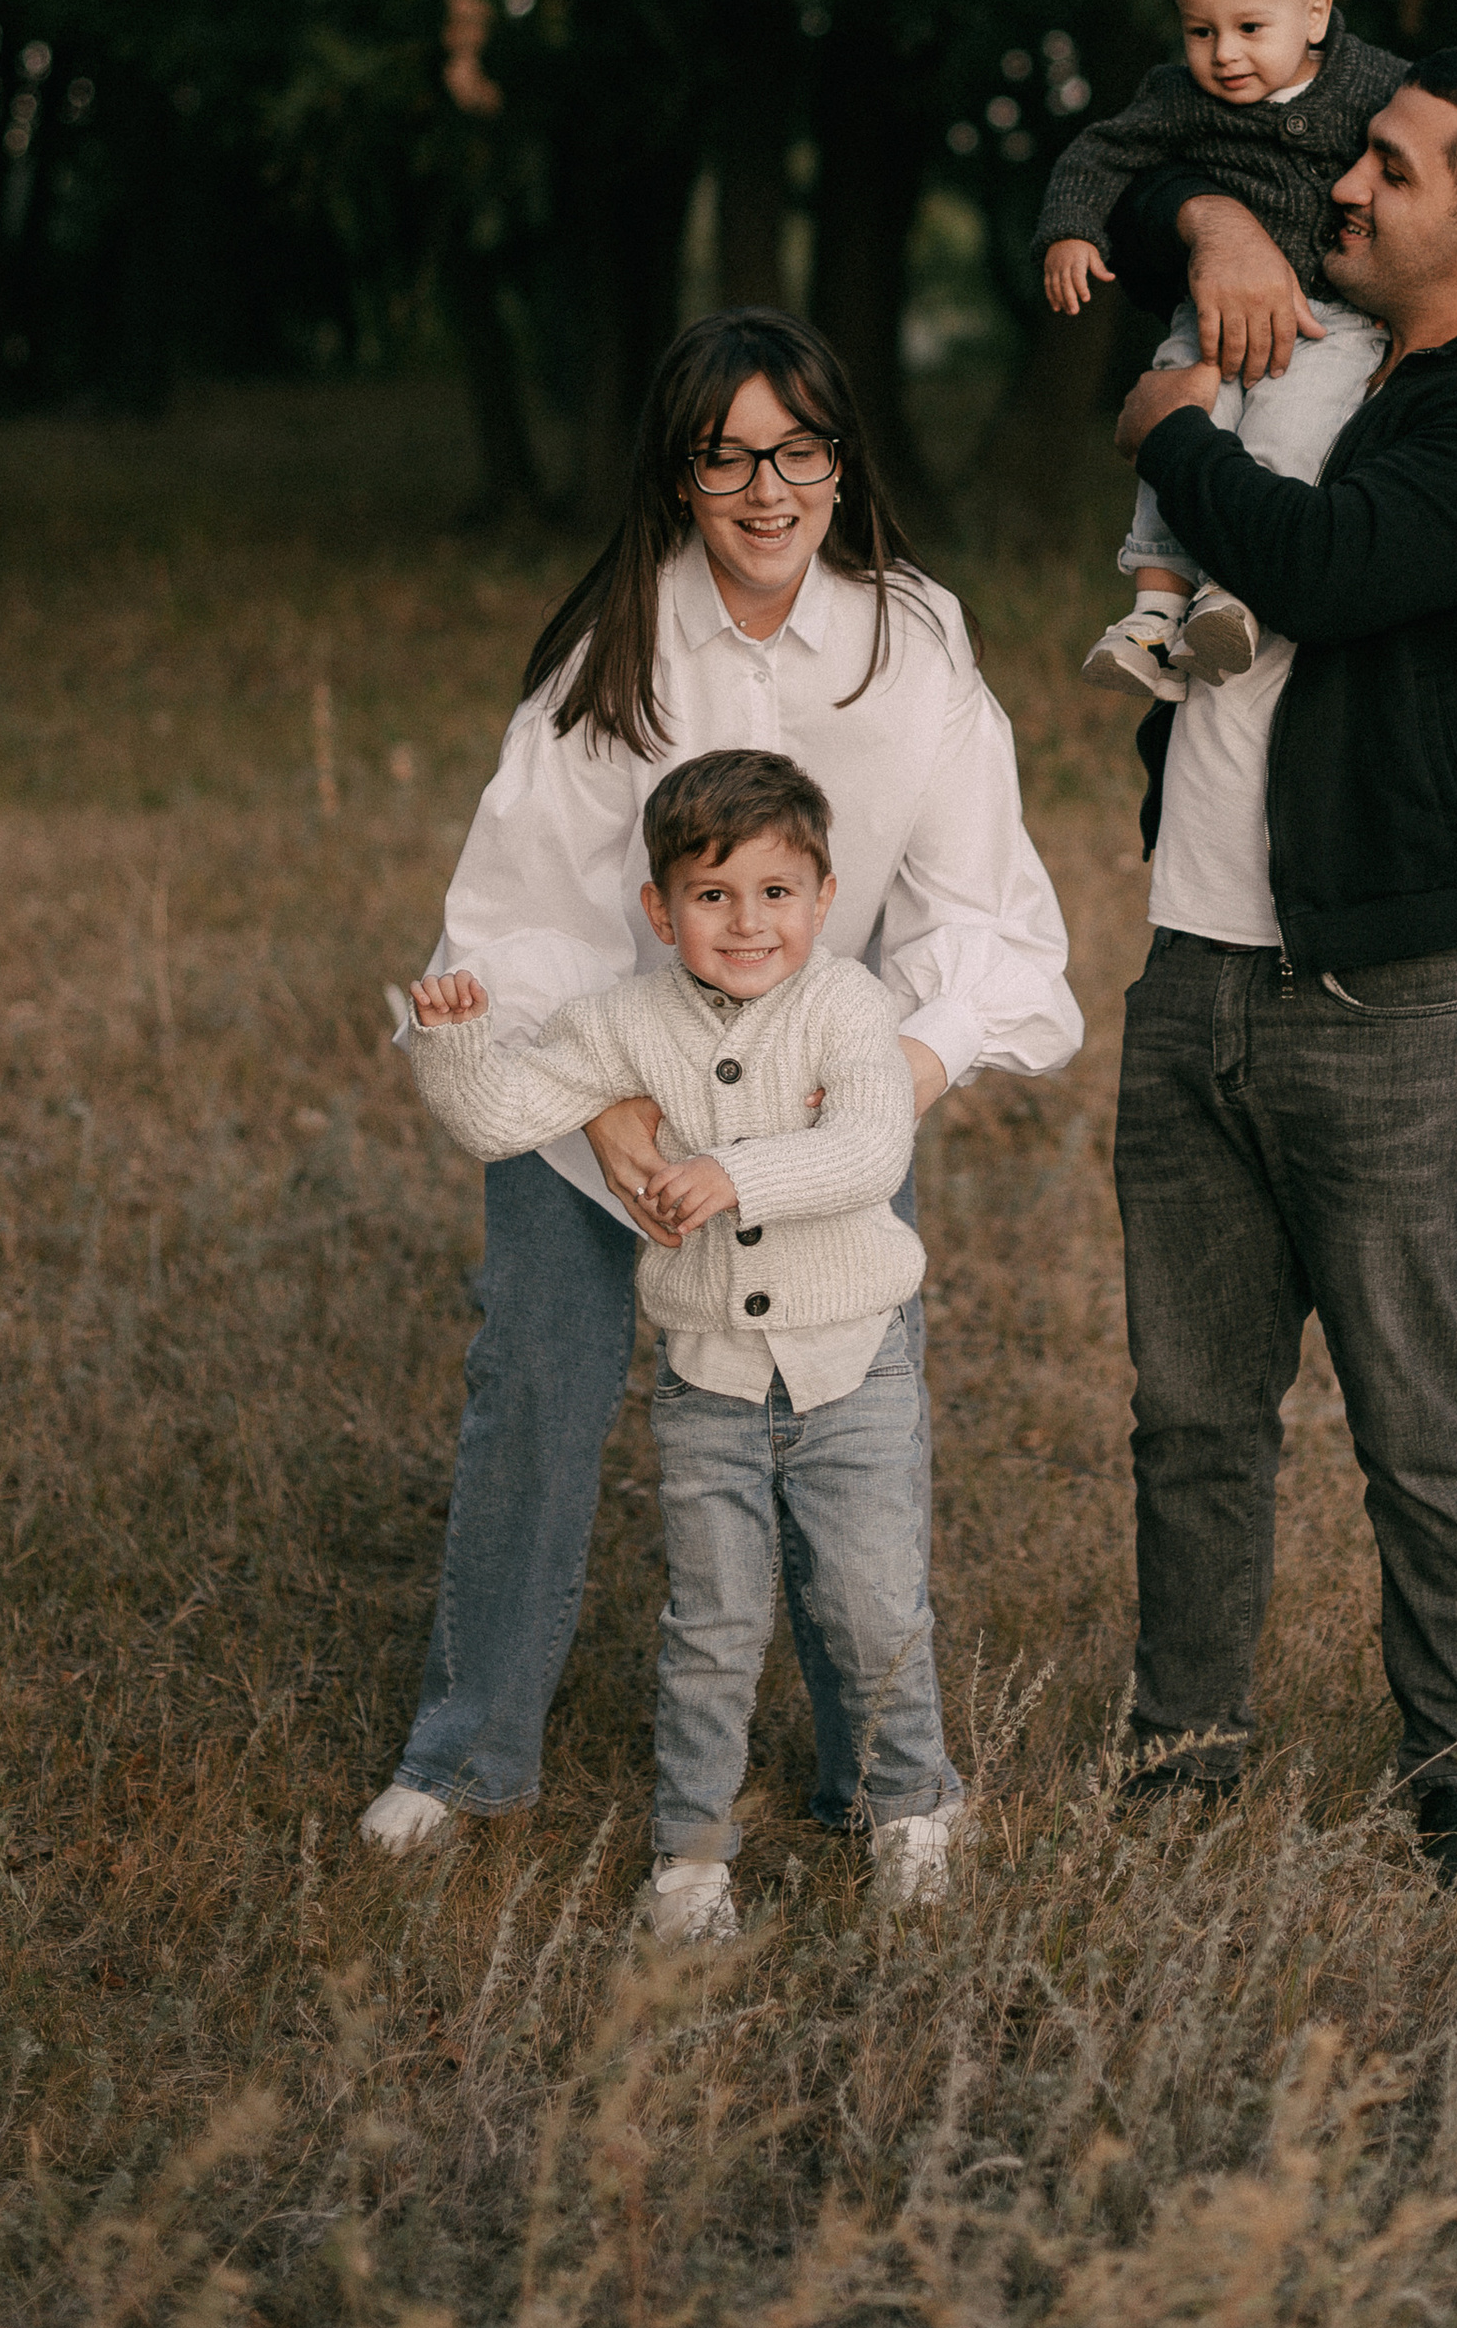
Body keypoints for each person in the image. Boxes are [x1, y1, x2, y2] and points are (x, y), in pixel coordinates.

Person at [359, 310, 1081, 1860]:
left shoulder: (912, 639)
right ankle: (471, 1751)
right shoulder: (609, 644)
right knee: (538, 1389)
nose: (769, 489)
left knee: (834, 1430)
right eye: (728, 454)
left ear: (842, 459)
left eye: (800, 449)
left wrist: (880, 1087)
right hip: (601, 1093)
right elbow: (512, 919)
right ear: (680, 473)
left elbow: (986, 913)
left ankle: (874, 1786)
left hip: (823, 1095)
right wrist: (606, 1111)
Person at [1102, 49, 1457, 1887]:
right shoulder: (1313, 337)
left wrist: (1167, 429)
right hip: (1198, 967)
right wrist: (1218, 214)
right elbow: (1147, 169)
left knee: (1422, 1419)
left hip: (1396, 996)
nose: (1345, 185)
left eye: (1382, 170)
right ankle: (1180, 1747)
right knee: (1191, 1408)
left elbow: (1308, 564)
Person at [405, 750, 960, 1936]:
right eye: (712, 896)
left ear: (820, 899)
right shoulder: (621, 1023)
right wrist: (455, 1051)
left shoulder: (850, 1007)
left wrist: (733, 1174)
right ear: (659, 912)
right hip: (710, 1377)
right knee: (710, 1625)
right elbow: (504, 1119)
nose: (746, 923)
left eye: (775, 893)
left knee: (870, 1605)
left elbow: (871, 1151)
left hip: (852, 1367)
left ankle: (910, 1807)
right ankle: (692, 1856)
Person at [1033, 0, 1403, 701]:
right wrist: (1070, 231)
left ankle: (1235, 593)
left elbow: (1440, 156)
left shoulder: (1373, 83)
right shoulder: (1176, 98)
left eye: (1249, 28)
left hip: (1329, 321)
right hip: (1203, 315)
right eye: (1201, 31)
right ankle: (1154, 612)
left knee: (1290, 431)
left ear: (1314, 14)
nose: (1224, 54)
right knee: (1182, 421)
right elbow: (1098, 156)